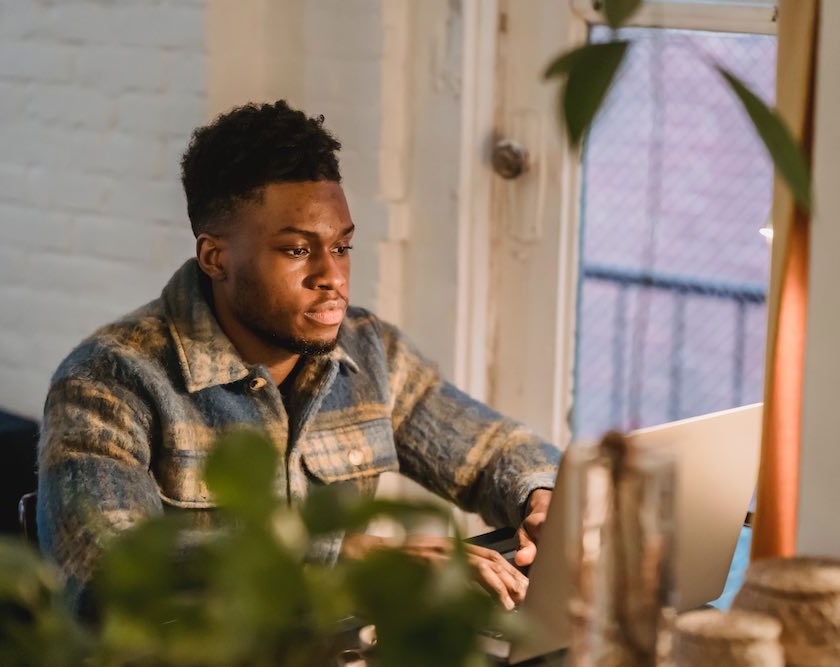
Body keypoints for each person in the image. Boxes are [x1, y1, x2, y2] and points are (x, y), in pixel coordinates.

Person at [37, 100, 561, 612]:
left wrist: (543, 497)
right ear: (215, 257)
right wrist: (345, 557)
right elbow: (109, 570)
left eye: (342, 247)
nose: (332, 277)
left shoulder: (369, 350)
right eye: (297, 250)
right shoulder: (108, 378)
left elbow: (494, 450)